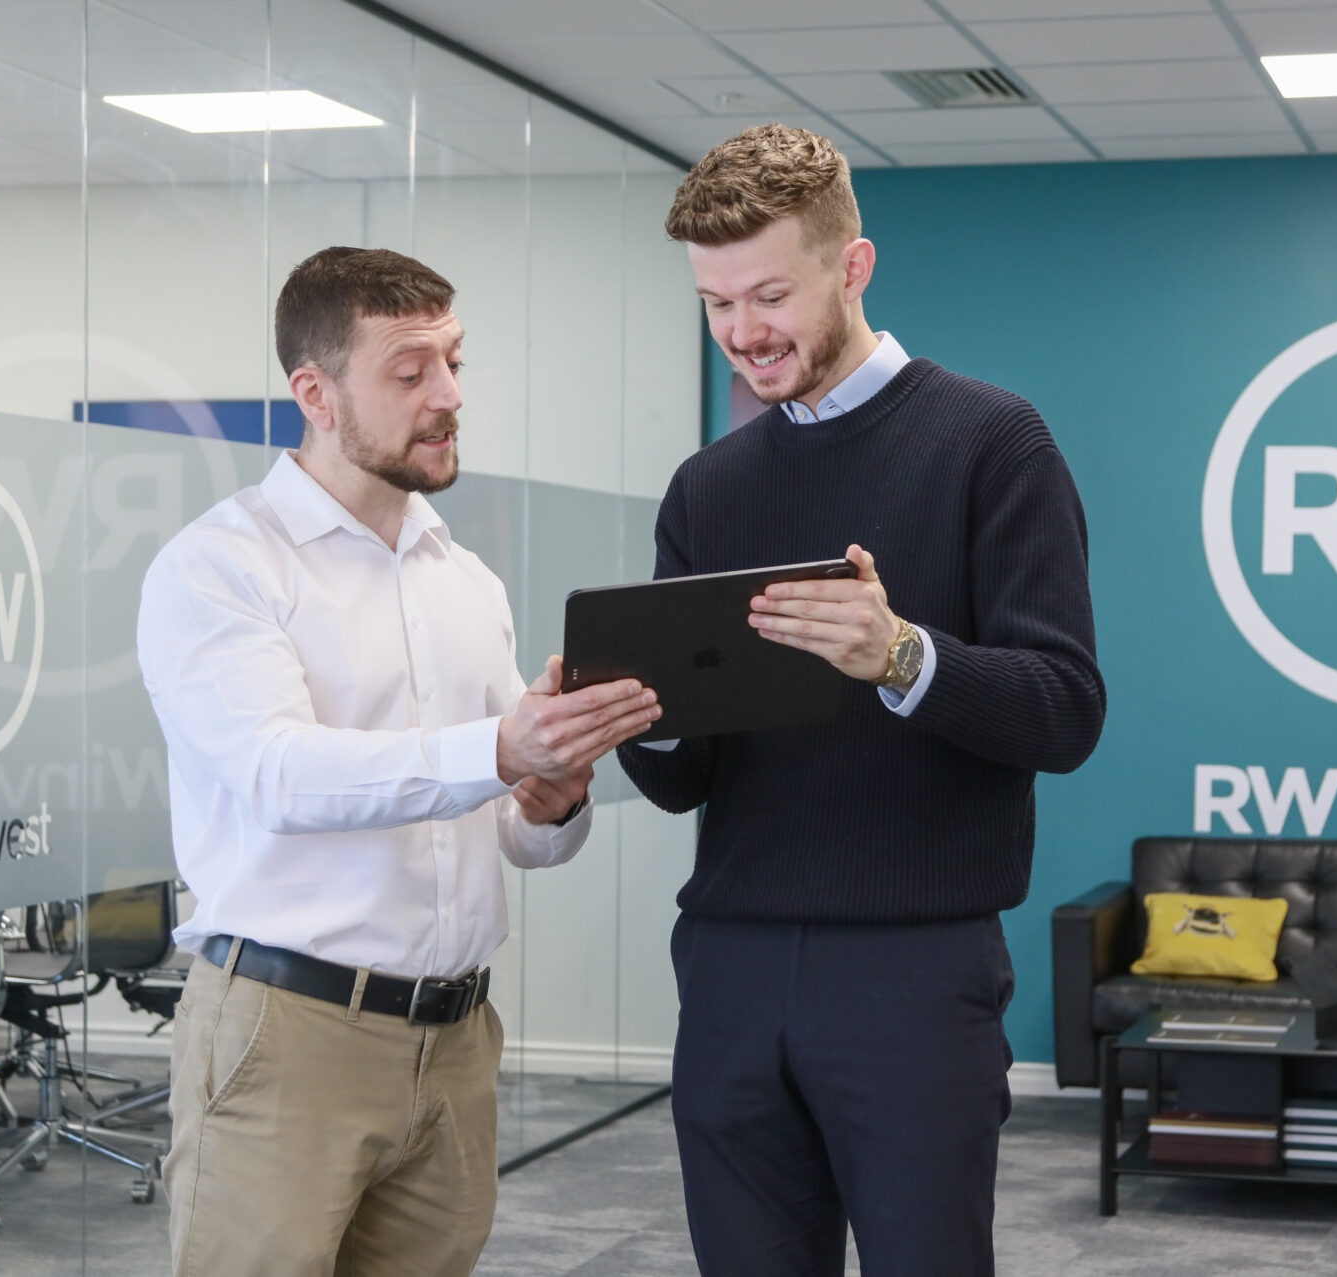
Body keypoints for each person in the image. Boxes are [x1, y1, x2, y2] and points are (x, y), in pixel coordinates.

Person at [618, 124, 1105, 1276]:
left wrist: (899, 655)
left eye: (769, 293)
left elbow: (1065, 708)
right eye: (715, 303)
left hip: (911, 970)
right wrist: (639, 711)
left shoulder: (995, 441)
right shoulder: (708, 486)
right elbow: (687, 774)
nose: (743, 333)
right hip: (730, 963)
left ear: (854, 265)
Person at [137, 246, 662, 1277]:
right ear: (315, 393)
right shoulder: (221, 564)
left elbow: (507, 826)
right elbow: (280, 775)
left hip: (457, 1037)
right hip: (287, 1031)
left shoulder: (460, 575)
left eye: (454, 364)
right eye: (410, 371)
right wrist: (499, 746)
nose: (449, 397)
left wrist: (549, 799)